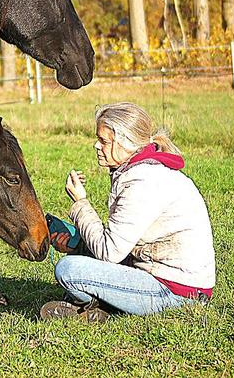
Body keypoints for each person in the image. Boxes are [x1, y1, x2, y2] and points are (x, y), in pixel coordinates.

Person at [40, 102, 215, 322]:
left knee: (68, 270)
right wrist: (79, 244)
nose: (96, 145)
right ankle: (102, 305)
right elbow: (122, 242)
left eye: (103, 141)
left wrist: (80, 203)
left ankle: (101, 304)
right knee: (80, 255)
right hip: (161, 275)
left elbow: (110, 252)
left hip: (176, 291)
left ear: (125, 142)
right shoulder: (139, 172)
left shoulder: (143, 183)